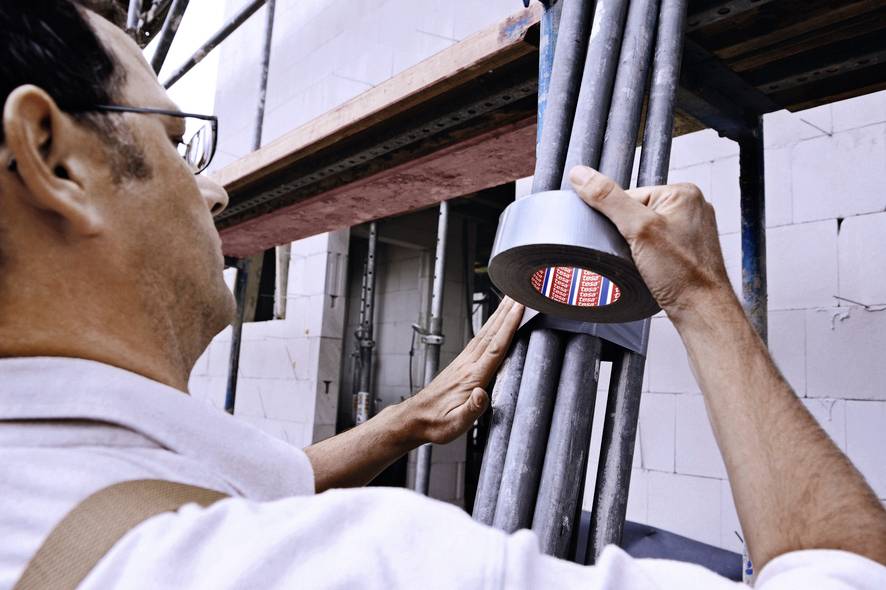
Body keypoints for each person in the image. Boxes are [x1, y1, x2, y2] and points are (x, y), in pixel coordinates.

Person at [0, 1, 883, 588]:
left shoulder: (46, 479)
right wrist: (701, 295)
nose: (218, 193)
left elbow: (264, 477)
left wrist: (411, 419)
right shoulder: (333, 567)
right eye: (183, 145)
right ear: (54, 155)